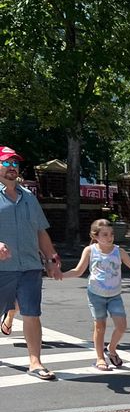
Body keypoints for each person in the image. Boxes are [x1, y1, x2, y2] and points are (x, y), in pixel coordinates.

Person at [61, 217, 130, 368]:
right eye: (105, 234)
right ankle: (100, 358)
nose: (109, 237)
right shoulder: (90, 251)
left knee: (122, 326)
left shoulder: (119, 252)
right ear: (95, 236)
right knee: (100, 326)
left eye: (111, 234)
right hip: (96, 294)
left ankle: (111, 349)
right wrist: (61, 275)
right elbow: (78, 271)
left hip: (114, 295)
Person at [0, 145, 62, 379]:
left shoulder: (28, 197)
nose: (12, 167)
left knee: (31, 314)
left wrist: (51, 259)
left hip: (29, 267)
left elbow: (40, 232)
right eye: (6, 163)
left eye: (15, 163)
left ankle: (35, 362)